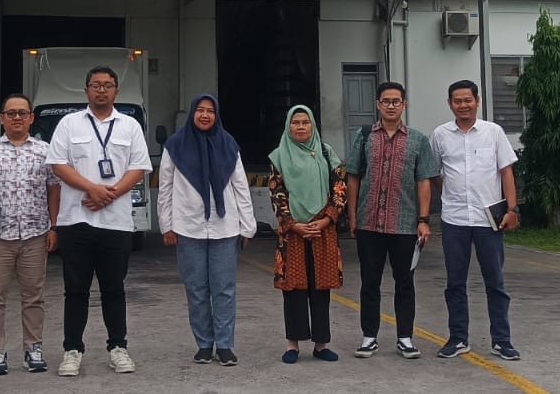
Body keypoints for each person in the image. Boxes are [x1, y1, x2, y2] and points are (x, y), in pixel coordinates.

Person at [46, 66, 153, 377]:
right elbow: (58, 165)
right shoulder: (69, 124)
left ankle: (118, 348)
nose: (102, 90)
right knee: (75, 290)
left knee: (114, 289)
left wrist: (110, 194)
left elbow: (138, 167)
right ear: (86, 90)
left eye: (107, 85)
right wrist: (93, 189)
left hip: (116, 223)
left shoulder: (130, 125)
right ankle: (72, 350)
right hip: (75, 220)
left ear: (116, 91)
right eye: (96, 85)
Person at [0, 94, 61, 375]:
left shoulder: (45, 151)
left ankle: (33, 349)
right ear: (2, 119)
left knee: (34, 296)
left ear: (31, 118)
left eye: (22, 113)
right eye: (11, 113)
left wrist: (54, 227)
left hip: (35, 234)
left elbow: (54, 189)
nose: (17, 117)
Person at [157, 94, 256, 366]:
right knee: (196, 289)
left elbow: (241, 187)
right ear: (192, 113)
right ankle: (203, 344)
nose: (204, 115)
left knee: (224, 289)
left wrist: (247, 226)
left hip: (225, 228)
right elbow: (165, 188)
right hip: (188, 227)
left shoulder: (228, 144)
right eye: (199, 110)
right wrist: (166, 225)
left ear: (216, 115)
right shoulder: (175, 145)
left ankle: (224, 345)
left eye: (210, 111)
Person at [345, 81, 438, 360]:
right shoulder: (364, 136)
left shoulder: (418, 140)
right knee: (369, 282)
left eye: (396, 101)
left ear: (404, 105)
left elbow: (424, 181)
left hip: (405, 224)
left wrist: (424, 219)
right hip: (369, 223)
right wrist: (352, 216)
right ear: (377, 104)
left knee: (405, 282)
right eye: (385, 101)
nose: (391, 106)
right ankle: (369, 337)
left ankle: (405, 338)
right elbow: (353, 176)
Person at [431, 80, 522, 362]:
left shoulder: (493, 132)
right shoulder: (440, 135)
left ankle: (502, 341)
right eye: (457, 101)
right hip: (454, 219)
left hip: (488, 221)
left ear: (477, 101)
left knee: (495, 282)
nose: (463, 105)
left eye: (468, 100)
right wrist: (450, 194)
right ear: (450, 104)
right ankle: (458, 338)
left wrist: (512, 209)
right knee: (455, 283)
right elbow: (435, 173)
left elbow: (506, 172)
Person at [267, 105, 346, 364]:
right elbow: (277, 194)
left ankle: (321, 345)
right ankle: (293, 345)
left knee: (320, 288)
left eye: (305, 122)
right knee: (294, 289)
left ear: (313, 125)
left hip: (323, 231)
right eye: (295, 122)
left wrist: (326, 220)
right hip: (293, 234)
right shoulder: (279, 156)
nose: (301, 127)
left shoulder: (326, 152)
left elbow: (339, 189)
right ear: (288, 126)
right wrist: (293, 224)